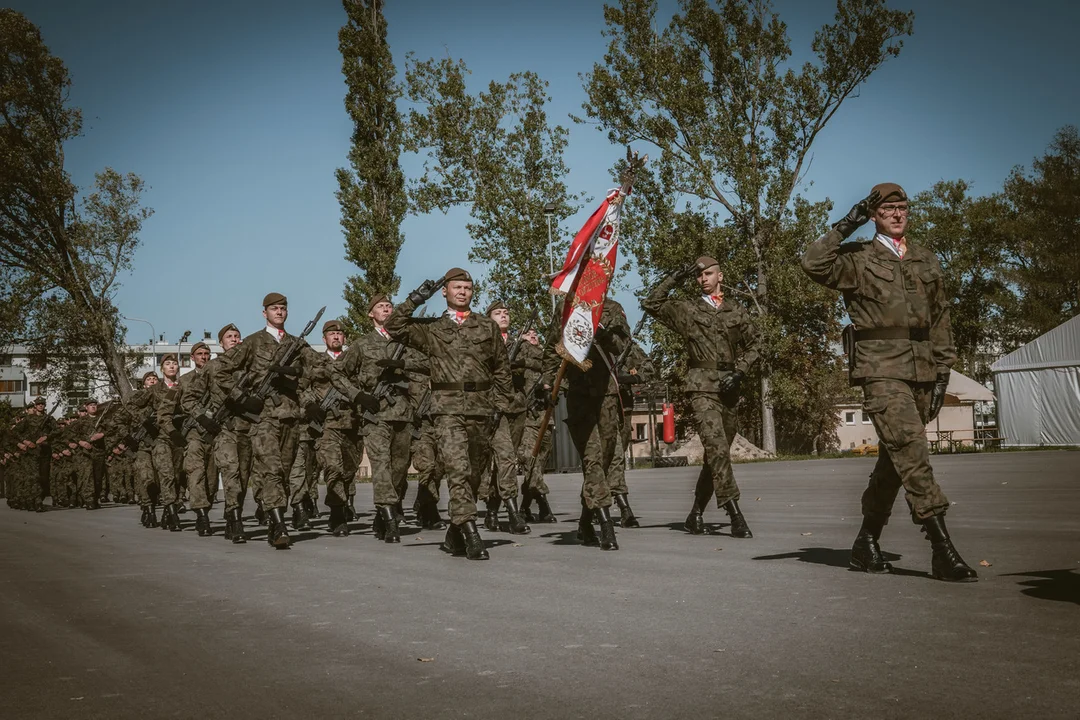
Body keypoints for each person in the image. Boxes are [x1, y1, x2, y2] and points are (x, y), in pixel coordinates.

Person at [801, 183, 977, 582]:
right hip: (880, 370)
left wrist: (944, 370)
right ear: (874, 215)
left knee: (895, 460)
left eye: (902, 208)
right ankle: (941, 549)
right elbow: (812, 263)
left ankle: (866, 541)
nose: (897, 214)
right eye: (887, 209)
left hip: (922, 370)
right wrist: (848, 224)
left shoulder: (925, 259)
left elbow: (941, 317)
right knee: (912, 452)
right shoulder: (858, 259)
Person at [384, 268, 514, 560]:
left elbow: (502, 369)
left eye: (467, 287)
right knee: (457, 469)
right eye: (456, 287)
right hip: (447, 409)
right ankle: (470, 533)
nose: (462, 292)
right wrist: (415, 299)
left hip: (482, 408)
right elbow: (394, 325)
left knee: (475, 475)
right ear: (445, 291)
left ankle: (453, 535)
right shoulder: (433, 329)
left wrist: (502, 405)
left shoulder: (486, 327)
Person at [213, 293, 361, 549]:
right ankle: (279, 524)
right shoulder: (252, 342)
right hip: (263, 418)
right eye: (274, 309)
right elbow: (219, 371)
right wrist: (243, 398)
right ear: (264, 313)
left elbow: (322, 367)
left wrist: (298, 371)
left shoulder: (297, 344)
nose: (279, 312)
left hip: (292, 417)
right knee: (271, 471)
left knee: (284, 473)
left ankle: (274, 519)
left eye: (282, 308)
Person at [642, 256, 762, 538]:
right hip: (701, 388)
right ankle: (735, 514)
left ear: (720, 276)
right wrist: (676, 276)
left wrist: (741, 371)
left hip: (730, 388)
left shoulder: (736, 310)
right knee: (718, 449)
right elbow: (652, 303)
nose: (703, 279)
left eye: (708, 274)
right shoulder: (687, 310)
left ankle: (695, 513)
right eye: (699, 276)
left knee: (715, 455)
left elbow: (756, 344)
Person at [542, 296, 631, 551]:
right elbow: (551, 347)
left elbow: (622, 345)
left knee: (602, 462)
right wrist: (548, 383)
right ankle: (606, 525)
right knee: (592, 459)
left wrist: (601, 331)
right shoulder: (565, 307)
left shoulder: (612, 308)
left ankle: (584, 521)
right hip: (578, 393)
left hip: (607, 395)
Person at [337, 294, 424, 543]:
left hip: (403, 412)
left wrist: (402, 362)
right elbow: (335, 371)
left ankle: (382, 512)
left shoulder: (405, 342)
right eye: (380, 307)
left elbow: (427, 363)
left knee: (399, 468)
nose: (386, 309)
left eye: (389, 306)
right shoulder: (362, 345)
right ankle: (389, 517)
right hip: (375, 415)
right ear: (370, 314)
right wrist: (358, 396)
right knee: (382, 466)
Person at [478, 300, 531, 535]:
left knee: (506, 463)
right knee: (505, 459)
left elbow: (543, 363)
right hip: (491, 409)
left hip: (516, 408)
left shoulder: (520, 342)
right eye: (498, 313)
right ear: (488, 318)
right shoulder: (482, 342)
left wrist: (524, 359)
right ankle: (513, 512)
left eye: (506, 312)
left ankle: (491, 511)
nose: (503, 316)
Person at [517, 327, 557, 523]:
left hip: (546, 420)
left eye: (535, 333)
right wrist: (523, 342)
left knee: (538, 466)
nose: (533, 336)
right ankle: (544, 504)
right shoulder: (521, 352)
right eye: (528, 333)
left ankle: (524, 507)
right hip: (526, 420)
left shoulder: (546, 361)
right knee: (529, 462)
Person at [179, 341, 215, 536]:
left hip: (213, 434)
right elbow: (175, 408)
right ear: (192, 357)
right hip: (194, 434)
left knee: (210, 477)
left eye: (207, 353)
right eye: (199, 354)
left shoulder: (216, 376)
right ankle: (202, 515)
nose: (204, 356)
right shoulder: (184, 381)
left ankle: (205, 509)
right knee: (196, 473)